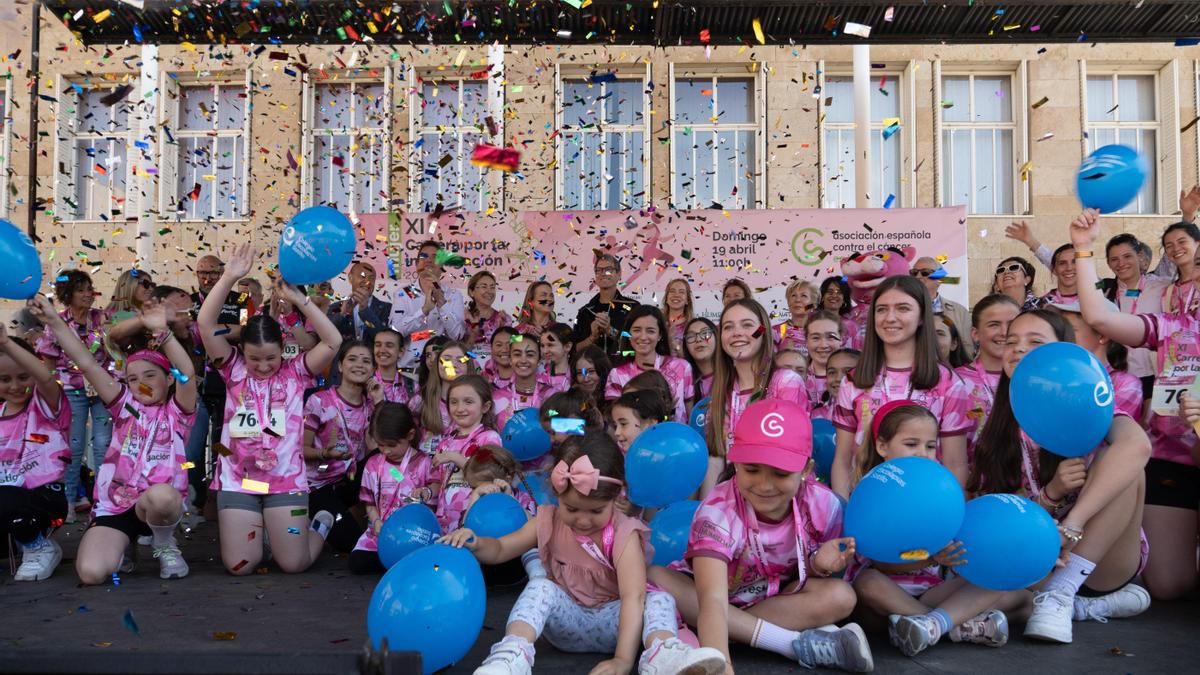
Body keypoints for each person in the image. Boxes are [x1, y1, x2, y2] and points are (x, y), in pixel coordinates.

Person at [442, 433, 727, 675]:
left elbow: (632, 598)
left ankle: (661, 654)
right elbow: (502, 548)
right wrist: (476, 542)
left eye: (595, 511)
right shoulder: (547, 519)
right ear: (557, 495)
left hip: (615, 626)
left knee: (659, 598)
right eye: (572, 509)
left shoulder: (625, 533)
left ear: (617, 499)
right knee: (540, 586)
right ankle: (512, 655)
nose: (583, 520)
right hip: (567, 625)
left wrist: (622, 660)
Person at [969, 307, 1151, 642]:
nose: (1020, 349)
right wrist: (1049, 497)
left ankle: (1061, 595)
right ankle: (1080, 607)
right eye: (1012, 341)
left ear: (1063, 352)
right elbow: (995, 514)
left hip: (1102, 562)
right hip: (1041, 557)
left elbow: (1138, 446)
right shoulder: (995, 427)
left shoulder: (1090, 403)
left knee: (1126, 464)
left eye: (1035, 342)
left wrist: (1073, 524)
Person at [649, 400, 871, 673]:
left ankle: (729, 631)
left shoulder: (825, 506)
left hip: (772, 600)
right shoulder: (716, 512)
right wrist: (722, 666)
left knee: (842, 596)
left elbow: (800, 578)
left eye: (780, 473)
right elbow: (713, 601)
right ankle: (791, 643)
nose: (765, 485)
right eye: (752, 469)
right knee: (657, 576)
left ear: (806, 469)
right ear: (735, 461)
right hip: (711, 597)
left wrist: (817, 565)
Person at [1070, 208, 1199, 601]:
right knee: (1168, 586)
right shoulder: (1175, 325)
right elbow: (1099, 317)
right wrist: (1083, 248)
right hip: (1175, 456)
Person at [197, 244, 343, 575]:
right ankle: (263, 536)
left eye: (271, 358)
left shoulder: (296, 372)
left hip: (285, 482)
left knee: (293, 564)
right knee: (240, 566)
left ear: (283, 351)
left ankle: (317, 526)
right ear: (241, 352)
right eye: (254, 359)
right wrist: (230, 277)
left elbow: (333, 342)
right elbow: (206, 326)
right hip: (240, 481)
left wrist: (300, 301)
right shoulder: (231, 368)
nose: (263, 366)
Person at [34, 297, 198, 584]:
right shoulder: (123, 405)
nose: (142, 384)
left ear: (168, 379)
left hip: (157, 506)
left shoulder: (178, 412)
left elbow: (188, 374)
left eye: (150, 375)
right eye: (133, 379)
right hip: (116, 505)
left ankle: (163, 544)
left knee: (162, 496)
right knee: (91, 574)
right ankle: (126, 545)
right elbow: (85, 361)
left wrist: (163, 332)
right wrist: (53, 321)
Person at [849, 402, 1026, 657]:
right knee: (867, 582)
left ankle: (929, 626)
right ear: (882, 446)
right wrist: (929, 557)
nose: (923, 453)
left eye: (930, 446)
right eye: (911, 444)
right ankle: (952, 626)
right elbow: (880, 564)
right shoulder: (873, 490)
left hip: (931, 591)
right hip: (885, 597)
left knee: (1004, 580)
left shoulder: (939, 488)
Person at [830, 276, 972, 497]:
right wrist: (845, 509)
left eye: (903, 308)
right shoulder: (853, 381)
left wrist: (946, 514)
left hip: (927, 503)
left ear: (922, 317)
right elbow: (843, 459)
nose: (890, 318)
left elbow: (956, 464)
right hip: (867, 505)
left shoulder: (948, 382)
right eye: (882, 309)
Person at [703, 299, 810, 497]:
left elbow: (789, 458)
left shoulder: (786, 383)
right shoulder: (720, 391)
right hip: (732, 503)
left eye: (747, 325)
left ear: (763, 331)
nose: (736, 333)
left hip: (777, 499)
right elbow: (717, 456)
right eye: (728, 327)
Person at [36, 270, 114, 521]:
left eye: (90, 288)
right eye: (81, 290)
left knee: (104, 444)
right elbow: (47, 361)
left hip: (102, 389)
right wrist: (49, 395)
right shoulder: (57, 323)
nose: (88, 294)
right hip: (71, 390)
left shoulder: (102, 319)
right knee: (74, 446)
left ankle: (103, 502)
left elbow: (116, 353)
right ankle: (67, 502)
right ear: (68, 294)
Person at [0, 323, 70, 581]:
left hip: (44, 500)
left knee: (6, 496)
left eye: (22, 376)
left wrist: (6, 343)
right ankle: (20, 541)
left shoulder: (46, 407)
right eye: (4, 379)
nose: (15, 386)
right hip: (6, 503)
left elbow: (45, 378)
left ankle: (39, 547)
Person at [302, 340, 377, 553]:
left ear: (373, 369)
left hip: (350, 481)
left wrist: (379, 400)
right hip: (317, 486)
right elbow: (300, 450)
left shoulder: (371, 405)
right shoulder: (319, 401)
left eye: (366, 361)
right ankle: (311, 525)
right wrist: (325, 453)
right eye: (352, 359)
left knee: (384, 460)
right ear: (341, 366)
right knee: (353, 544)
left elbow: (380, 451)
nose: (359, 365)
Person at [351, 403, 437, 575]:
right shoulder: (373, 463)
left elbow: (434, 498)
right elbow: (368, 501)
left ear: (410, 435)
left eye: (392, 444)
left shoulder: (424, 463)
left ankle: (400, 564)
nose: (387, 451)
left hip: (413, 533)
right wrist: (375, 521)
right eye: (381, 445)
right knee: (357, 562)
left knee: (416, 556)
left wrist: (425, 493)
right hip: (381, 532)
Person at [432, 375, 505, 531]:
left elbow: (488, 477)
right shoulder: (446, 442)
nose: (460, 408)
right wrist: (425, 492)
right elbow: (439, 482)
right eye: (454, 402)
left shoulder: (489, 438)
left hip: (474, 520)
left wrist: (455, 458)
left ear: (485, 407)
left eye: (468, 402)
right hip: (445, 522)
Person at [955, 295, 1021, 458]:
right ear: (975, 334)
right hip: (974, 479)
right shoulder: (955, 381)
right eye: (994, 325)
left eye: (1012, 324)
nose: (1005, 332)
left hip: (1030, 479)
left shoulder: (1034, 380)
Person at [1105, 233, 1168, 401]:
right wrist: (1033, 243)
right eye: (1114, 259)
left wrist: (1188, 216)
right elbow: (1074, 274)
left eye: (1127, 256)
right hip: (1121, 374)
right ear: (1109, 264)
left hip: (1156, 373)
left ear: (1139, 257)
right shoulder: (1104, 288)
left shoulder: (1161, 285)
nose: (1121, 263)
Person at [604, 306, 693, 423]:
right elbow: (616, 422)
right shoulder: (617, 375)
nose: (643, 337)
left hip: (677, 439)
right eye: (636, 330)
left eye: (650, 331)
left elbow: (690, 415)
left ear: (660, 335)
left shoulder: (682, 367)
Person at [389, 240, 466, 371]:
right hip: (410, 368)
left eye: (434, 257)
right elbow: (395, 331)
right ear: (416, 263)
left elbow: (457, 335)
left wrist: (442, 303)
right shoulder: (404, 294)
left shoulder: (453, 295)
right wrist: (424, 310)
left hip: (443, 369)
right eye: (424, 257)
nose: (429, 261)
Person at [410, 340, 475, 454]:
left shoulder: (478, 402)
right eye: (446, 359)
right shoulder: (420, 400)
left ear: (468, 366)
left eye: (460, 360)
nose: (453, 364)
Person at [573, 253, 637, 360]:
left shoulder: (633, 307)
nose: (603, 273)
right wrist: (592, 337)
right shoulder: (585, 311)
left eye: (608, 269)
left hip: (623, 372)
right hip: (594, 373)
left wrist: (610, 330)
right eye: (599, 270)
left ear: (619, 274)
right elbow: (575, 349)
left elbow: (637, 342)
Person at [910, 257, 973, 360]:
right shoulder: (902, 310)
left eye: (925, 272)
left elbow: (967, 347)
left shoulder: (959, 311)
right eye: (914, 272)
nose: (918, 276)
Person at [330, 262, 392, 345]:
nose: (367, 281)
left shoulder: (387, 308)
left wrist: (365, 311)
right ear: (350, 278)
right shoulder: (335, 307)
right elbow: (326, 336)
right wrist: (342, 314)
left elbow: (386, 340)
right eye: (362, 276)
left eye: (371, 278)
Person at [464, 270, 509, 363]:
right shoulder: (462, 318)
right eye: (484, 287)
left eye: (492, 287)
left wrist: (502, 331)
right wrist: (473, 335)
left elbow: (508, 352)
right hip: (468, 372)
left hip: (494, 373)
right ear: (471, 292)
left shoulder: (503, 319)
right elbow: (459, 354)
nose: (489, 291)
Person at [804, 311, 844, 413]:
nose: (823, 345)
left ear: (842, 339)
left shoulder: (855, 377)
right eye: (816, 338)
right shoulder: (796, 378)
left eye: (830, 337)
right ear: (806, 342)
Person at [610, 390, 669, 454]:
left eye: (623, 424)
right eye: (615, 425)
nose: (616, 432)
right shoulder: (618, 454)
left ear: (651, 424)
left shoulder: (666, 457)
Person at [772, 280, 818, 355]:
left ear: (814, 305)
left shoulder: (820, 331)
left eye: (804, 296)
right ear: (788, 302)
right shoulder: (777, 330)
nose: (797, 300)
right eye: (793, 295)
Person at [816, 348, 861, 421]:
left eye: (848, 372)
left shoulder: (873, 413)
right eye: (832, 372)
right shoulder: (816, 416)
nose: (838, 378)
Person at [682, 318, 717, 401]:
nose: (698, 339)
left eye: (705, 333)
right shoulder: (684, 382)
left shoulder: (733, 377)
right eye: (691, 336)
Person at [819, 276, 859, 348]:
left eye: (839, 292)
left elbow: (856, 353)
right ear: (822, 297)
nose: (834, 295)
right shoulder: (812, 321)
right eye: (830, 292)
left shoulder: (851, 326)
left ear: (844, 299)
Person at [372, 328, 409, 404]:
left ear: (401, 352)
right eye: (378, 345)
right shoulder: (365, 382)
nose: (382, 350)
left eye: (389, 346)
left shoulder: (411, 384)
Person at [570, 345, 611, 413]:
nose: (586, 379)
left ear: (603, 371)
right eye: (580, 373)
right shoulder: (571, 401)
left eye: (591, 371)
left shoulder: (614, 399)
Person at [661, 278, 694, 357]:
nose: (676, 295)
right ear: (666, 299)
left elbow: (693, 359)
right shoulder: (657, 322)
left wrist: (674, 344)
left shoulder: (692, 326)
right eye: (672, 291)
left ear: (687, 300)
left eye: (681, 292)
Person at [539, 323, 574, 390]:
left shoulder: (576, 380)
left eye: (550, 345)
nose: (545, 351)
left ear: (567, 346)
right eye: (542, 346)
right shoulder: (537, 377)